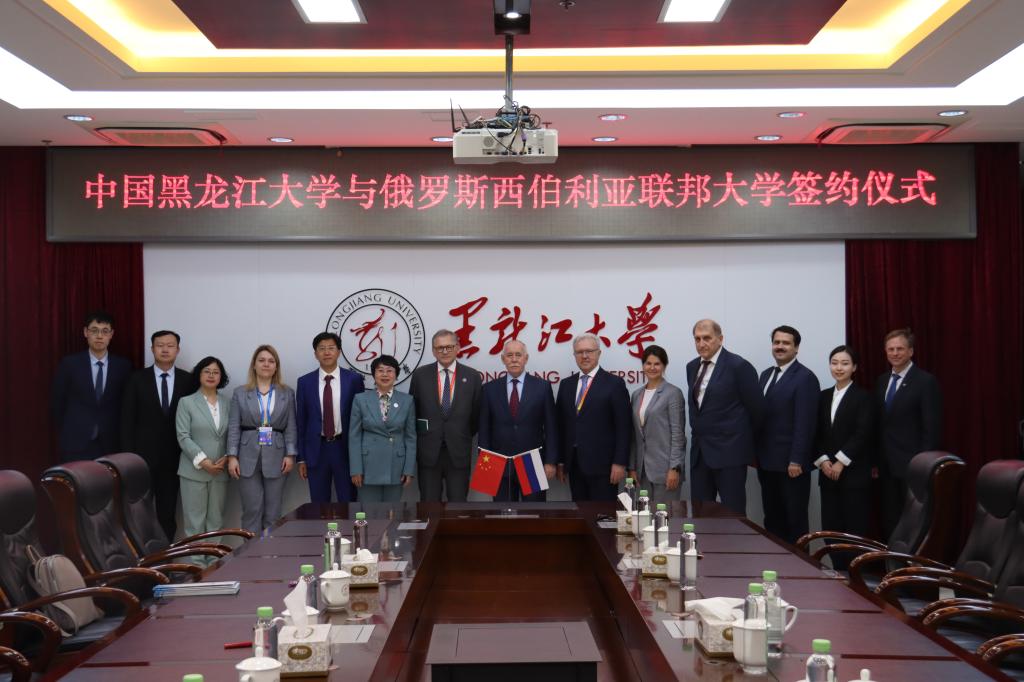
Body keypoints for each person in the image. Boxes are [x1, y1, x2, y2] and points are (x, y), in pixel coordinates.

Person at [121, 330, 196, 540]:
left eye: (170, 345)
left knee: (167, 513)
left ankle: (166, 557)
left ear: (177, 350)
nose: (165, 349)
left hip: (175, 459)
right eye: (160, 345)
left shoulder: (188, 380)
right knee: (139, 513)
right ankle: (142, 557)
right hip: (141, 460)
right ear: (152, 349)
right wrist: (128, 459)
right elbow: (126, 421)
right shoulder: (136, 379)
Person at [686, 319, 763, 515]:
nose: (701, 343)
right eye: (697, 339)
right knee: (700, 513)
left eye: (707, 338)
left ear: (720, 339)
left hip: (730, 454)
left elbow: (757, 410)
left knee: (733, 514)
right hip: (700, 454)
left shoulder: (739, 366)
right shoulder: (692, 366)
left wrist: (740, 442)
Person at [755, 325, 820, 545]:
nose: (780, 347)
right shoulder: (766, 375)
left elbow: (806, 423)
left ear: (796, 348)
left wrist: (797, 459)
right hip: (767, 463)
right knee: (772, 519)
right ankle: (776, 561)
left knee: (795, 522)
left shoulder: (805, 378)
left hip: (792, 466)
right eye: (776, 342)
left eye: (786, 343)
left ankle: (800, 564)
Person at [875, 328, 943, 536]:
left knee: (914, 522)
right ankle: (890, 557)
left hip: (912, 466)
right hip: (886, 465)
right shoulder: (881, 381)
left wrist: (923, 465)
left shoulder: (925, 381)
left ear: (911, 351)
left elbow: (931, 428)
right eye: (891, 349)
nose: (895, 353)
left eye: (900, 349)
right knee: (890, 519)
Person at [226, 345, 297, 535]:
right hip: (246, 456)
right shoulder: (240, 392)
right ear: (254, 365)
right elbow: (233, 426)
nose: (266, 364)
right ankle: (251, 551)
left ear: (276, 367)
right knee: (252, 510)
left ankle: (270, 551)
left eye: (271, 361)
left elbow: (291, 426)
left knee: (273, 512)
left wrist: (290, 455)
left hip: (278, 455)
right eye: (262, 360)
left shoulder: (287, 393)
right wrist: (232, 456)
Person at [814, 345, 874, 569]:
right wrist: (824, 461)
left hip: (854, 474)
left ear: (854, 367)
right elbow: (816, 433)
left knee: (853, 529)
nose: (839, 368)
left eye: (845, 363)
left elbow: (863, 433)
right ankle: (838, 572)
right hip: (827, 473)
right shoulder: (822, 396)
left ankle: (853, 576)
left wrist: (841, 461)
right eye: (835, 363)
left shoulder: (864, 397)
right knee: (830, 527)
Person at [478, 339, 558, 501]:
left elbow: (551, 428)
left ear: (526, 358)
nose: (514, 359)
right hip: (498, 462)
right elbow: (484, 428)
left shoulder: (542, 387)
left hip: (532, 462)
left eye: (518, 355)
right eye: (509, 355)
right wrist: (484, 463)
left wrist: (550, 461)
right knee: (503, 513)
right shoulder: (489, 389)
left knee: (535, 512)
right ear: (503, 359)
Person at [555, 333, 631, 501]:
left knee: (603, 514)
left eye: (589, 351)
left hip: (605, 467)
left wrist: (620, 462)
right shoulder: (566, 385)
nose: (584, 356)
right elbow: (561, 425)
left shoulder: (614, 384)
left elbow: (624, 427)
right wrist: (561, 461)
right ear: (574, 355)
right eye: (579, 352)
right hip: (574, 465)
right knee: (579, 512)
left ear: (599, 353)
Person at [408, 330, 482, 502]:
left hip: (459, 451)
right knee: (429, 504)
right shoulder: (420, 375)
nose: (445, 351)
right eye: (440, 348)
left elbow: (476, 415)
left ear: (458, 347)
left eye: (449, 346)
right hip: (428, 452)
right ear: (433, 351)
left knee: (458, 504)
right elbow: (413, 412)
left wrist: (460, 433)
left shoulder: (472, 376)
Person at [50, 310, 131, 461]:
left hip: (111, 441)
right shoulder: (69, 364)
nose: (99, 336)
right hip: (76, 441)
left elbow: (126, 405)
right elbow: (58, 402)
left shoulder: (123, 366)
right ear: (86, 332)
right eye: (94, 330)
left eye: (105, 331)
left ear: (111, 334)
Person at [295, 332, 365, 504]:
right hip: (316, 450)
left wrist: (360, 456)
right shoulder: (304, 382)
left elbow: (361, 420)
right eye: (322, 348)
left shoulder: (354, 380)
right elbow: (301, 422)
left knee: (348, 501)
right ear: (315, 354)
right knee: (319, 503)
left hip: (345, 448)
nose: (327, 352)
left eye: (331, 348)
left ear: (339, 352)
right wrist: (301, 458)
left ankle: (349, 525)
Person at [175, 356, 230, 545]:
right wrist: (203, 461)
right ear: (199, 374)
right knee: (194, 524)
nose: (211, 375)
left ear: (221, 377)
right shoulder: (186, 402)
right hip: (194, 472)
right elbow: (183, 436)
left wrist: (227, 457)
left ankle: (214, 562)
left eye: (216, 372)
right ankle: (197, 564)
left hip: (220, 471)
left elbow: (233, 434)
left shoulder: (228, 403)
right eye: (206, 371)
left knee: (216, 522)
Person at [348, 355, 416, 502]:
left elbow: (411, 437)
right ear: (373, 374)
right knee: (369, 511)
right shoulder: (360, 399)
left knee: (392, 511)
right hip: (367, 466)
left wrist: (408, 469)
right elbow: (354, 437)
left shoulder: (407, 400)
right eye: (380, 370)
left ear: (396, 375)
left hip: (396, 466)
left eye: (389, 370)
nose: (385, 374)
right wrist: (356, 469)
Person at [628, 344, 686, 507]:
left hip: (666, 470)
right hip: (642, 471)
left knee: (665, 517)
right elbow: (634, 435)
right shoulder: (636, 395)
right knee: (645, 516)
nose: (652, 368)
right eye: (648, 363)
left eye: (657, 364)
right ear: (643, 365)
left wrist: (675, 468)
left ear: (664, 366)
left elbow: (678, 434)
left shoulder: (673, 393)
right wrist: (632, 467)